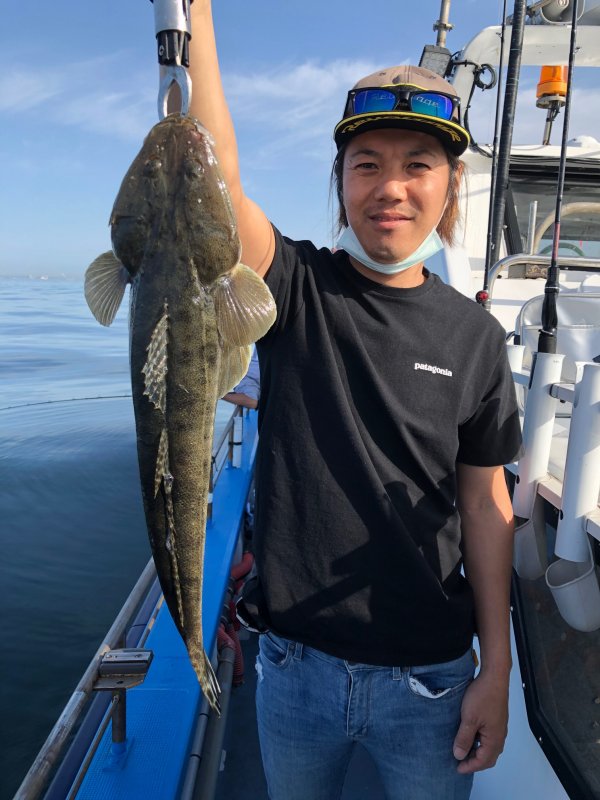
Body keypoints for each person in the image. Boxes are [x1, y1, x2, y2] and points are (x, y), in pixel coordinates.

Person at [186, 4, 522, 798]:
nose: (391, 188)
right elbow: (216, 186)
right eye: (366, 164)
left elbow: (485, 505)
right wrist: (195, 14)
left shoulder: (477, 337)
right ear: (340, 182)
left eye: (418, 165)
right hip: (295, 668)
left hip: (432, 680)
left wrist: (497, 671)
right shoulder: (296, 287)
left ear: (451, 185)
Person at [223, 345, 260, 410]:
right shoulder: (244, 380)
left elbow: (253, 402)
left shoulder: (242, 380)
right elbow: (253, 401)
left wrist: (218, 395)